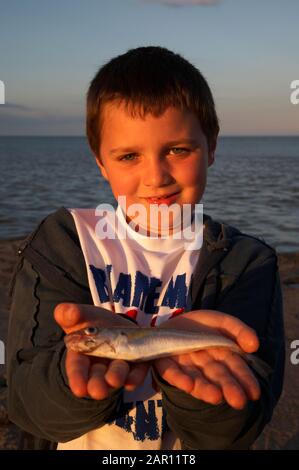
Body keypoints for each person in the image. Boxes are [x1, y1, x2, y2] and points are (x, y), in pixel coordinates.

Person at [7, 46, 284, 450]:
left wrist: (201, 397)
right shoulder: (66, 242)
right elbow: (26, 400)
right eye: (129, 155)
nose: (155, 176)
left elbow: (241, 420)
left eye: (178, 150)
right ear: (101, 162)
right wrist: (70, 383)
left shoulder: (246, 262)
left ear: (212, 147)